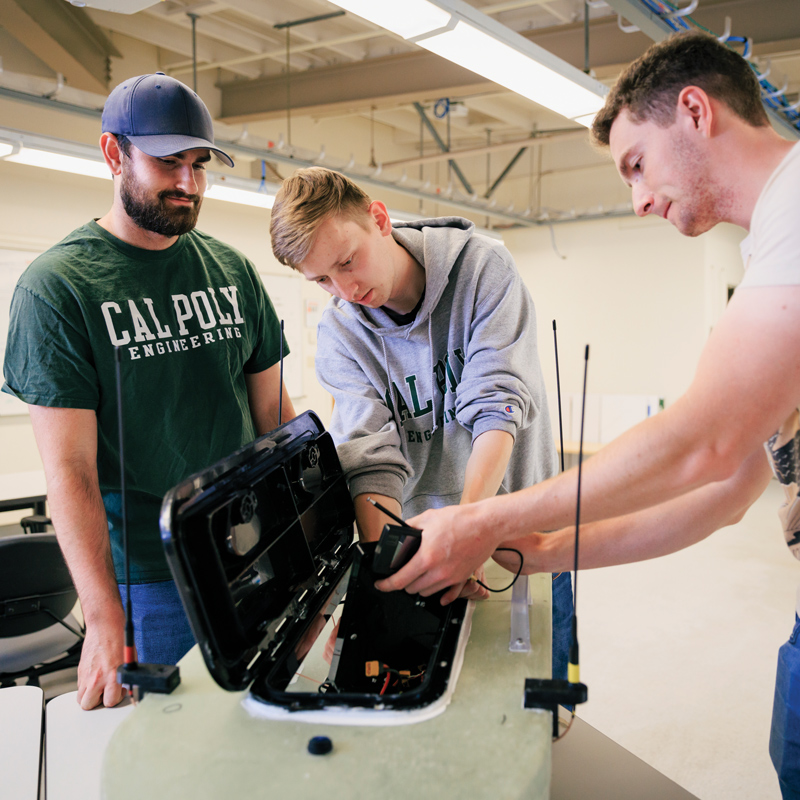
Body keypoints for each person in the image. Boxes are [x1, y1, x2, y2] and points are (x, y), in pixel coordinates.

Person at [374, 30, 800, 797]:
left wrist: (483, 522)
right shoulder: (771, 245)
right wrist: (534, 552)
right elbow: (725, 493)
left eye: (638, 165)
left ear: (695, 112)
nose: (637, 200)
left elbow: (703, 443)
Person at [2, 73, 294, 710]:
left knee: (263, 731)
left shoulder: (233, 271)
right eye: (168, 162)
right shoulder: (58, 289)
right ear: (113, 153)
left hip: (251, 554)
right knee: (168, 755)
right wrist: (104, 622)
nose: (188, 183)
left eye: (198, 164)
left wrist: (299, 535)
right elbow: (71, 474)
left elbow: (274, 418)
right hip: (154, 582)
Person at [269, 166, 574, 682]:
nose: (346, 289)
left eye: (348, 261)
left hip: (522, 529)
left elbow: (496, 406)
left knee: (537, 698)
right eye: (322, 280)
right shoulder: (341, 333)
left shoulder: (482, 269)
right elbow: (370, 457)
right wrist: (385, 576)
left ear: (380, 219)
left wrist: (472, 529)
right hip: (424, 546)